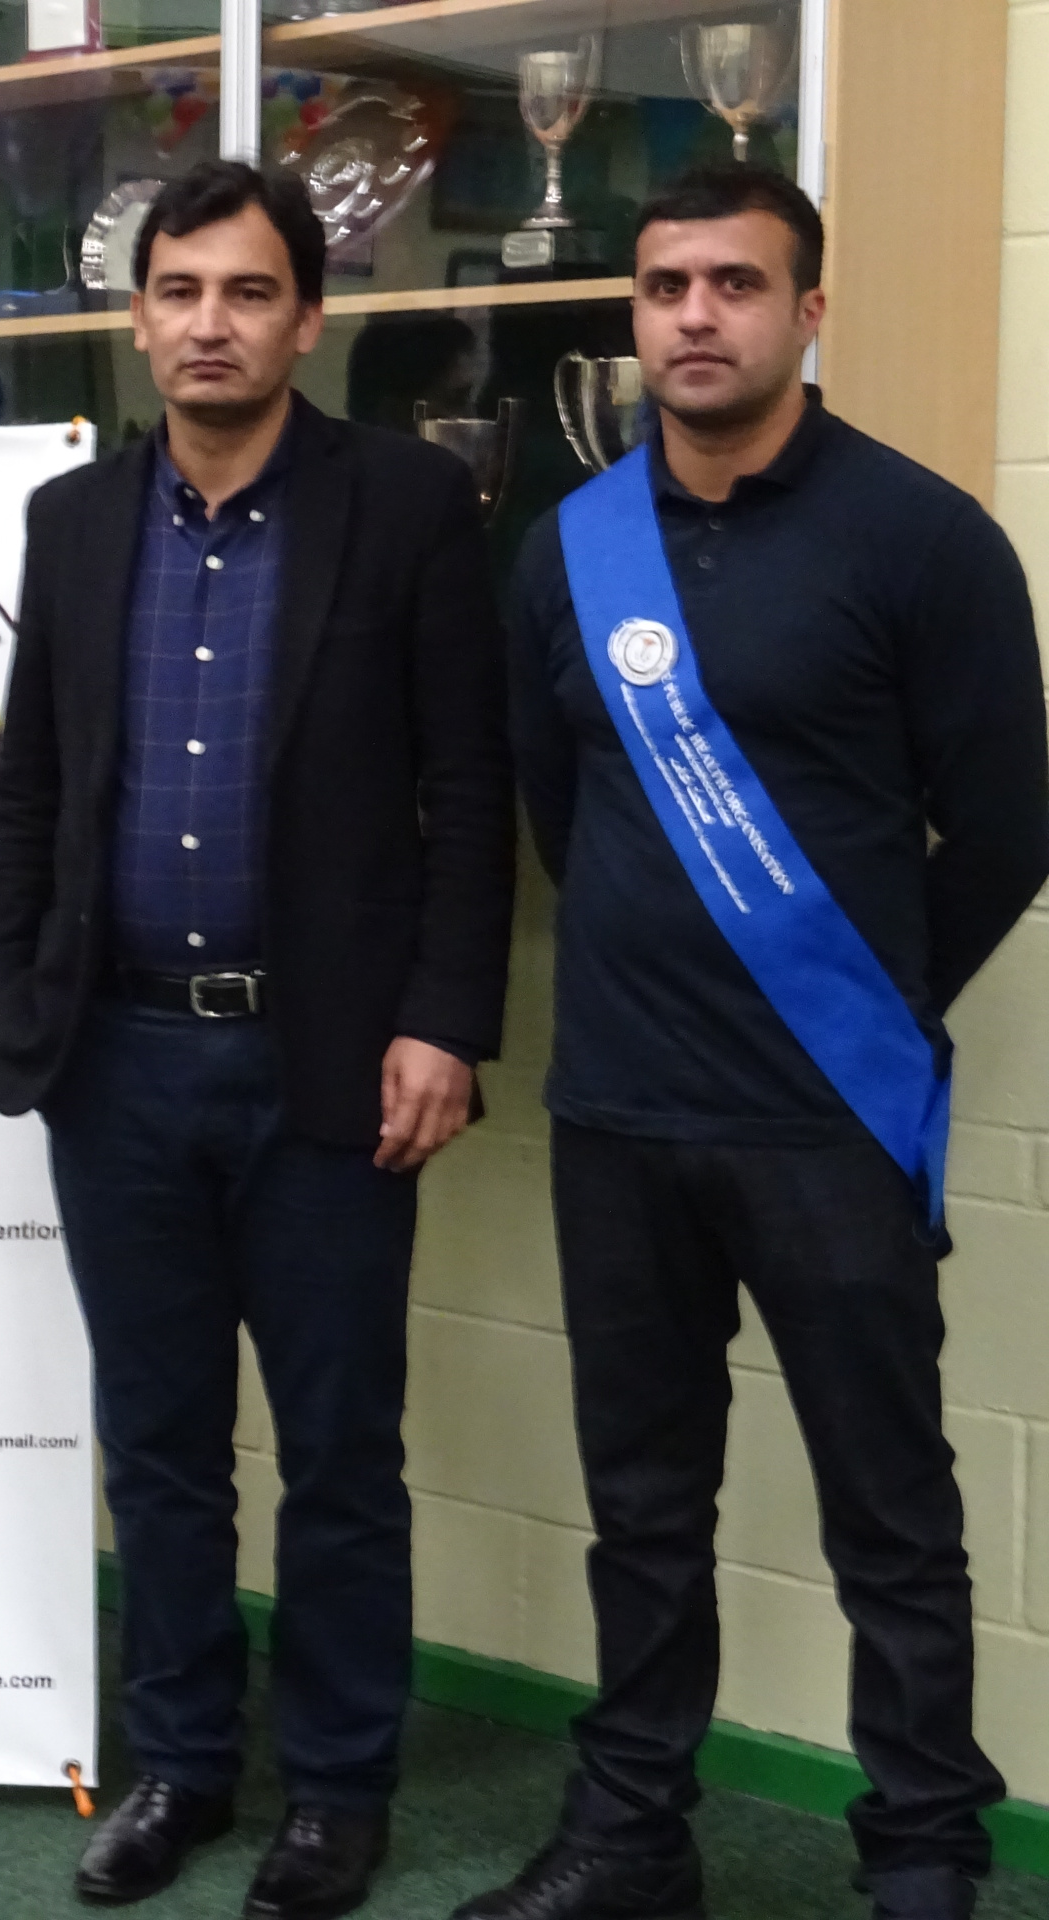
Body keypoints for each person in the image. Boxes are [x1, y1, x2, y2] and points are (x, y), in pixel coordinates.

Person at [459, 166, 1049, 1920]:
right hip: (620, 1113)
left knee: (891, 1508)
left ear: (809, 310)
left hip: (827, 1118)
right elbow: (557, 809)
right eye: (665, 288)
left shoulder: (926, 539)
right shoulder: (567, 545)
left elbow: (1008, 828)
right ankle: (630, 1835)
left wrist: (865, 1003)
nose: (696, 317)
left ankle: (925, 1851)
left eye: (734, 283)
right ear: (633, 317)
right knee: (644, 1507)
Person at [0, 159, 515, 1914]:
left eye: (250, 291)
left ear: (309, 316)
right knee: (160, 1445)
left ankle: (339, 1788)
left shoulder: (407, 506)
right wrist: (14, 1002)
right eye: (181, 291)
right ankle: (184, 1764)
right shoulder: (74, 521)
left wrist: (444, 1021)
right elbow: (34, 784)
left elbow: (469, 786)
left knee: (341, 1449)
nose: (212, 324)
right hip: (118, 1060)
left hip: (328, 1064)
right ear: (138, 319)